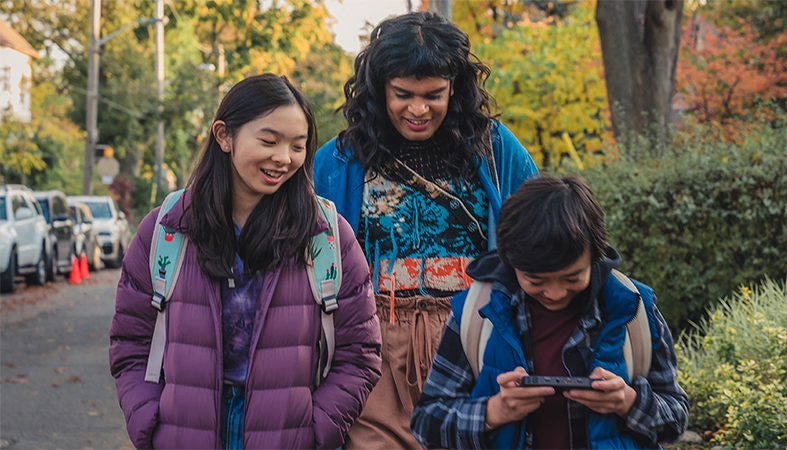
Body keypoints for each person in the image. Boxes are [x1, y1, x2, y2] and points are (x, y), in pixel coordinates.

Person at [109, 74, 382, 449]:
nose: (283, 158)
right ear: (224, 136)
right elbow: (131, 340)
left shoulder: (326, 234)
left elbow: (360, 353)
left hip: (290, 435)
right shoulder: (167, 229)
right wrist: (150, 422)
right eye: (269, 141)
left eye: (297, 146)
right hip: (184, 433)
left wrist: (318, 429)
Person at [313, 11, 538, 449]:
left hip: (471, 338)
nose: (418, 109)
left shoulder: (496, 149)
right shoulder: (337, 160)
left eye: (433, 94)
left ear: (455, 89)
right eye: (403, 94)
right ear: (380, 89)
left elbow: (539, 235)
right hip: (371, 345)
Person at [410, 174, 689, 449]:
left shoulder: (634, 307)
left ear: (596, 255)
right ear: (510, 262)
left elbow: (676, 418)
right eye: (536, 280)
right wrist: (493, 412)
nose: (554, 293)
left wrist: (628, 402)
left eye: (572, 278)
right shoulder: (476, 312)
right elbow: (425, 422)